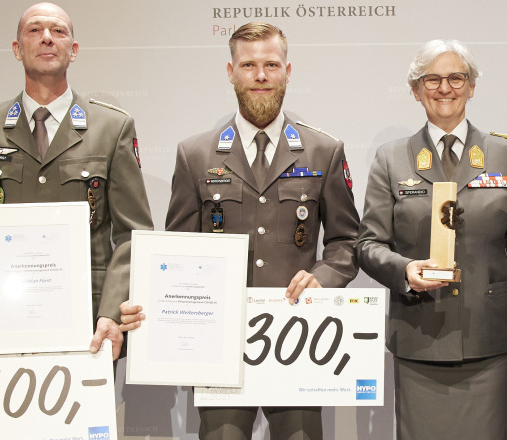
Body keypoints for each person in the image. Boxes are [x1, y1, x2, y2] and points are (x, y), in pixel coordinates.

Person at [121, 21, 360, 440]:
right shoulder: (195, 154)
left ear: (289, 70)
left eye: (271, 64)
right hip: (218, 343)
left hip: (296, 337)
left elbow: (346, 243)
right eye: (249, 65)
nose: (261, 75)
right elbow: (179, 251)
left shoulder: (325, 150)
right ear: (230, 72)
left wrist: (322, 279)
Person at [0, 2, 154, 361]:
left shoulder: (112, 128)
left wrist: (109, 313)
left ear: (73, 50)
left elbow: (132, 234)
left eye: (58, 31)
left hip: (88, 325)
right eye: (34, 30)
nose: (46, 38)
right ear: (17, 49)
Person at [354, 39, 507, 439]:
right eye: (432, 79)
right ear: (416, 90)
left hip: (490, 340)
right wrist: (406, 271)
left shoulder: (505, 154)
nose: (444, 88)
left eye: (456, 78)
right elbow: (367, 245)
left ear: (472, 86)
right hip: (420, 339)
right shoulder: (391, 158)